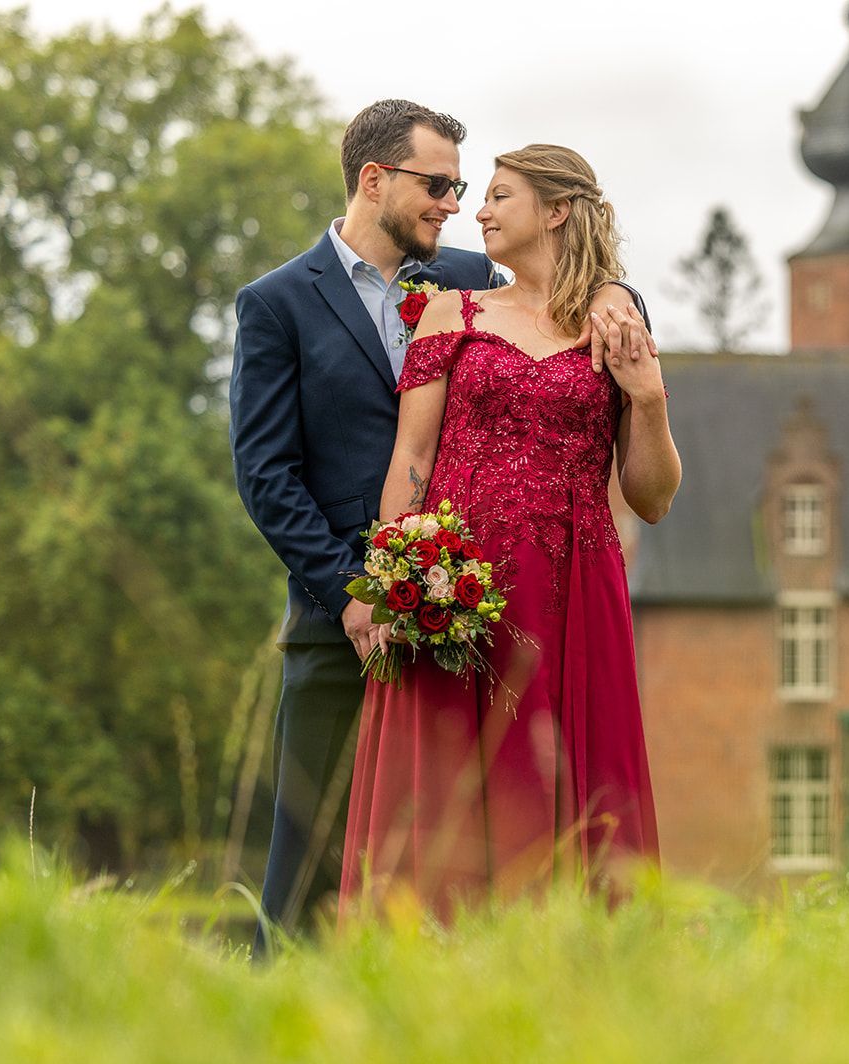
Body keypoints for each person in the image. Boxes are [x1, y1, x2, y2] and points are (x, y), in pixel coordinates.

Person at [230, 103, 650, 952]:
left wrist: (610, 289)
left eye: (462, 187)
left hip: (474, 615)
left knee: (461, 841)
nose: (454, 205)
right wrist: (360, 595)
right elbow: (266, 476)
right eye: (437, 185)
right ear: (374, 180)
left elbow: (572, 283)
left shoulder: (467, 278)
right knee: (309, 855)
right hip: (339, 616)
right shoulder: (277, 303)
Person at [339, 144, 679, 916]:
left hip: (574, 587)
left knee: (571, 769)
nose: (476, 211)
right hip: (459, 585)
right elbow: (412, 462)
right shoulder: (449, 311)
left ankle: (579, 961)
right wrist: (399, 577)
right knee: (447, 778)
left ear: (556, 210)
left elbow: (652, 498)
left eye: (497, 195)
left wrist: (648, 398)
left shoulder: (617, 325)